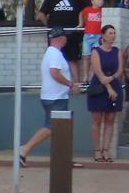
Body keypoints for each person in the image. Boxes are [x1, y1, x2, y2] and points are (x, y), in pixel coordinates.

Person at [19, 27, 83, 165]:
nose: (66, 39)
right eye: (65, 36)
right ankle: (24, 149)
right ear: (60, 38)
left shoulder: (52, 53)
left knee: (60, 128)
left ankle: (63, 158)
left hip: (55, 96)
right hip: (55, 97)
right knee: (52, 127)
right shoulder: (54, 54)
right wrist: (71, 84)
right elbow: (54, 72)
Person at [37, 0, 90, 82]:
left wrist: (82, 24)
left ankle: (76, 84)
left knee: (72, 59)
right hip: (56, 34)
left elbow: (86, 12)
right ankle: (60, 83)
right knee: (56, 58)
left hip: (72, 33)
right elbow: (41, 14)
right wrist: (49, 25)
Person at [87, 25, 123, 163]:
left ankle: (106, 150)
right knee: (97, 119)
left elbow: (120, 70)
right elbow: (98, 71)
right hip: (99, 87)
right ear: (103, 35)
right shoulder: (96, 51)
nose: (113, 36)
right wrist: (108, 87)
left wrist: (113, 79)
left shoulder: (117, 51)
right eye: (110, 33)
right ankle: (97, 151)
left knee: (110, 119)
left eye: (114, 33)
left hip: (114, 83)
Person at [78, 0, 105, 83]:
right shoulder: (87, 9)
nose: (101, 1)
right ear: (92, 1)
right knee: (86, 56)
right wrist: (81, 24)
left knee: (95, 57)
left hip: (98, 36)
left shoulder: (103, 11)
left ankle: (92, 76)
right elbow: (81, 14)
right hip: (87, 35)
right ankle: (85, 76)